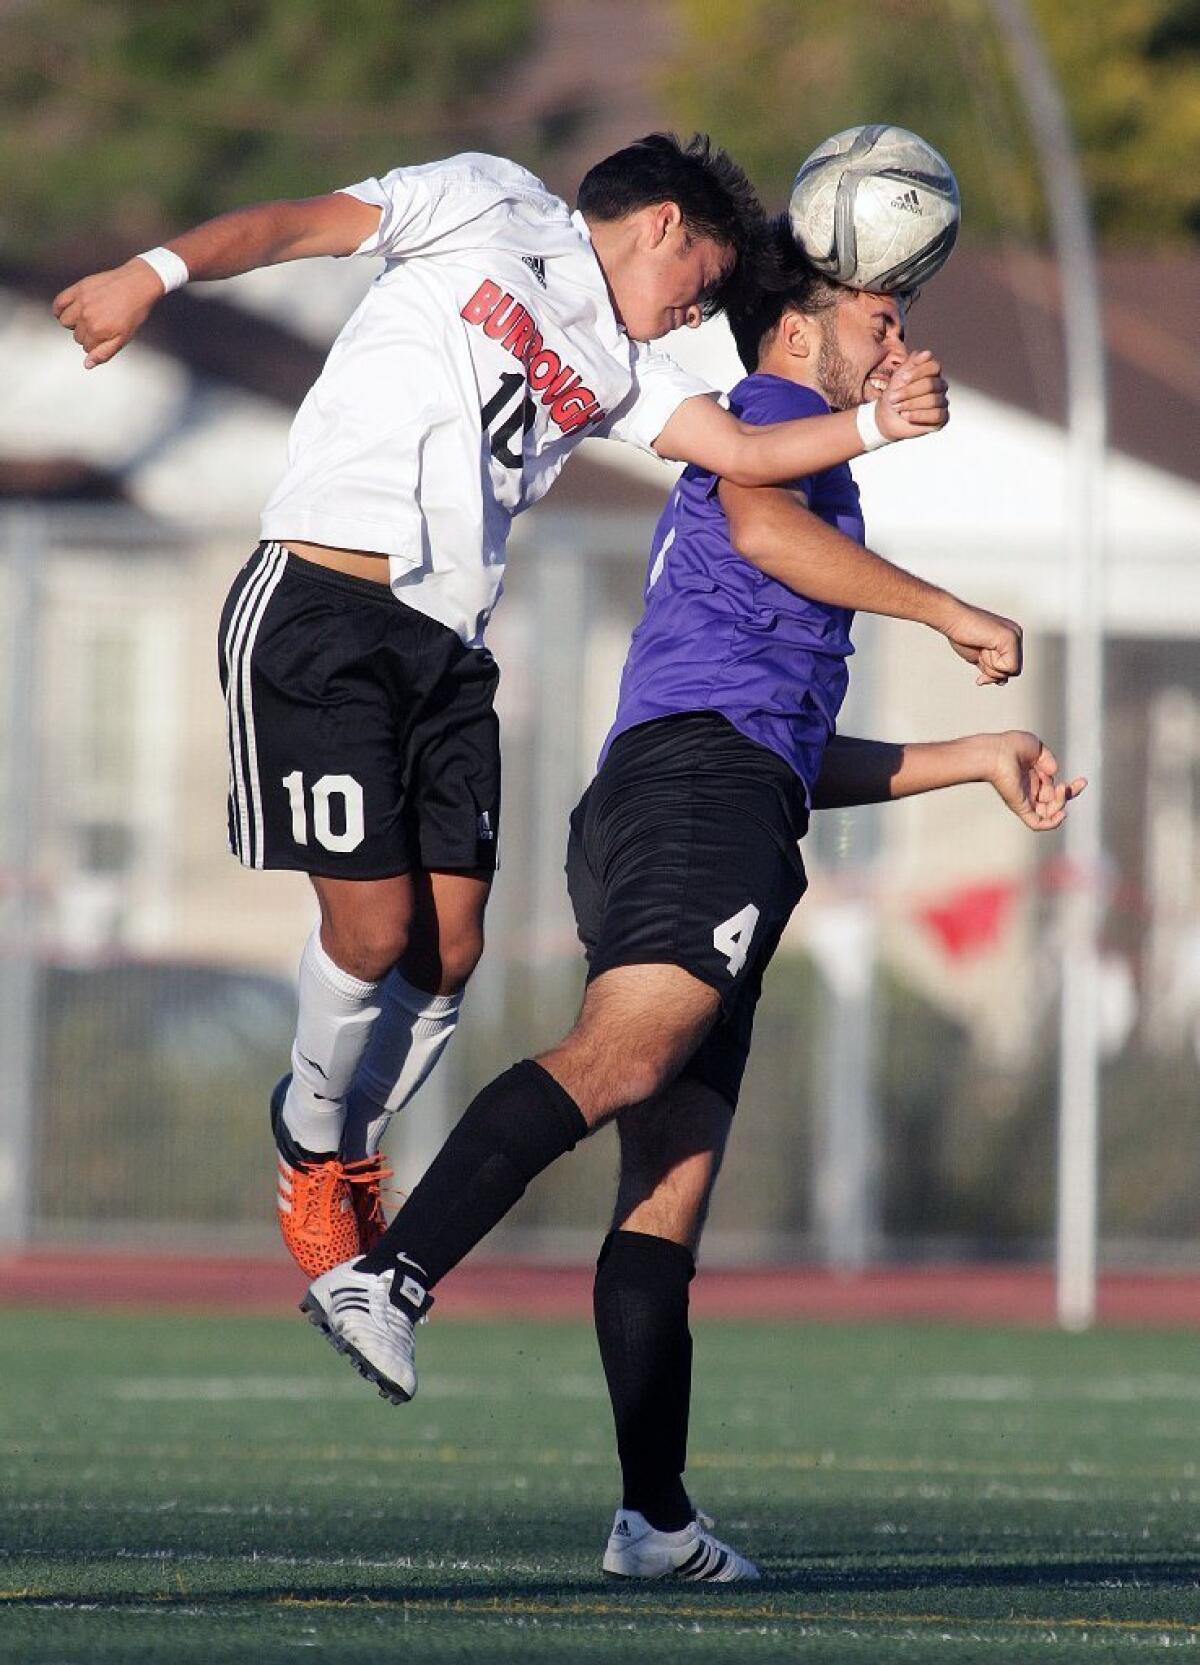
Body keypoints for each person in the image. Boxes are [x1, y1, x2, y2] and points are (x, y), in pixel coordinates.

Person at [296, 224, 1082, 1579]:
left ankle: (653, 1519)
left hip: (721, 795)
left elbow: (791, 739)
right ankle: (393, 1270)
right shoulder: (777, 420)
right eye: (876, 316)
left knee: (669, 1189)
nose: (897, 339)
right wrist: (949, 611)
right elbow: (760, 517)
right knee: (628, 1057)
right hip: (698, 796)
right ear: (795, 328)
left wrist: (974, 758)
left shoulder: (803, 451)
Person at [53, 137, 955, 1279]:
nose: (689, 321)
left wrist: (877, 425)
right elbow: (294, 222)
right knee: (375, 932)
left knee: (450, 950)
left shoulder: (625, 367)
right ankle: (315, 1146)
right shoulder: (487, 202)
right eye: (695, 288)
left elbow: (741, 448)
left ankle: (353, 1151)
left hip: (448, 650)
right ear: (661, 225)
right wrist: (153, 274)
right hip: (323, 609)